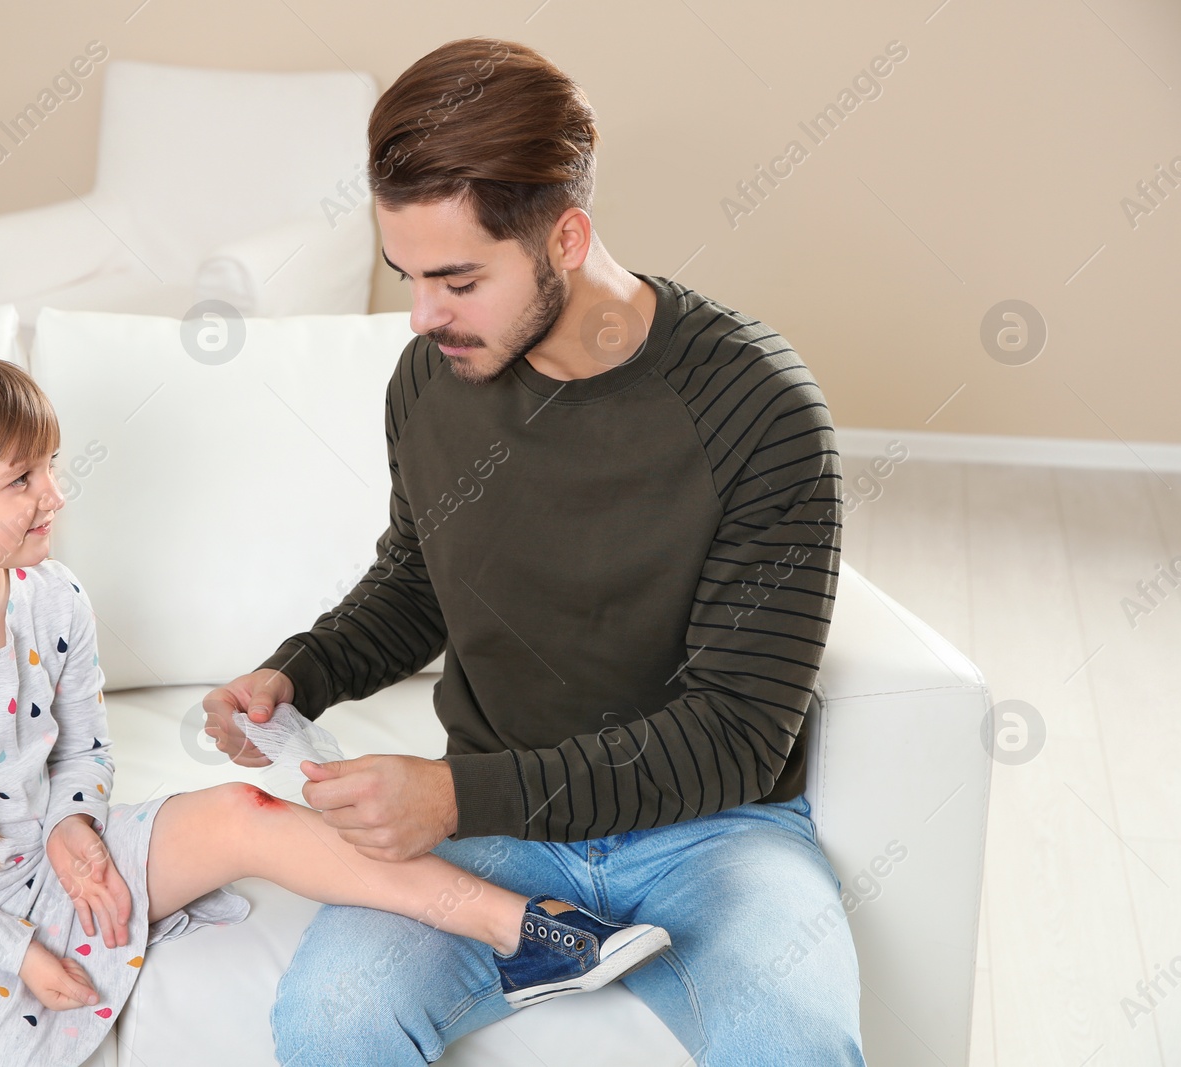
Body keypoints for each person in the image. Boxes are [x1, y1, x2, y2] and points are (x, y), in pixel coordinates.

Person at [200, 37, 864, 1066]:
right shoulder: (431, 380)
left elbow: (733, 733)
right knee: (332, 1018)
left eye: (458, 278)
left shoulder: (758, 410)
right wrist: (299, 674)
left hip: (713, 833)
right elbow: (421, 577)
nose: (423, 316)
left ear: (564, 237)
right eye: (408, 276)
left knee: (792, 1039)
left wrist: (457, 793)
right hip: (495, 836)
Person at [0, 349, 670, 1067]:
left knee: (244, 811)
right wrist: (14, 950)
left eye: (52, 465)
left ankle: (531, 931)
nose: (56, 494)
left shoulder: (55, 597)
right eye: (21, 479)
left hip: (52, 865)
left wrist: (74, 824)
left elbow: (83, 753)